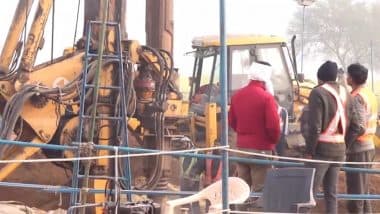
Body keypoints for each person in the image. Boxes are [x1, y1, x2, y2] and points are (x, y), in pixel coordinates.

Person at [304, 60, 361, 214]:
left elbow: (314, 127)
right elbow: (357, 126)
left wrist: (309, 151)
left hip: (320, 152)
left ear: (320, 78)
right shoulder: (346, 93)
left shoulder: (318, 92)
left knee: (308, 193)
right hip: (339, 151)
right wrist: (345, 145)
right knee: (331, 194)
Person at [228, 61, 280, 193]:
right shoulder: (267, 98)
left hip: (241, 149)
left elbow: (232, 121)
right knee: (260, 189)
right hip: (260, 150)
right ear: (265, 78)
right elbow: (273, 127)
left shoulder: (237, 96)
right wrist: (272, 143)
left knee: (242, 190)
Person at [345, 63, 377, 214]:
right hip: (368, 145)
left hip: (359, 147)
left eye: (348, 75)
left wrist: (346, 145)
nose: (346, 77)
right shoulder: (369, 94)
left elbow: (359, 126)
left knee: (356, 191)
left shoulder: (356, 97)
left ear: (351, 78)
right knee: (363, 191)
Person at [179, 148, 222, 213]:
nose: (217, 146)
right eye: (215, 144)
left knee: (216, 204)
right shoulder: (207, 155)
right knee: (207, 203)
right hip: (208, 184)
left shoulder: (226, 156)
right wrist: (192, 175)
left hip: (219, 185)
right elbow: (199, 167)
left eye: (218, 144)